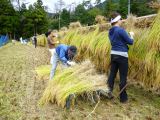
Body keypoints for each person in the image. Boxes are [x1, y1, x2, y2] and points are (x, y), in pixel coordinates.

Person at [107, 13, 134, 103]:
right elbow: (130, 42)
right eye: (121, 19)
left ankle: (109, 94)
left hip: (113, 54)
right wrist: (132, 35)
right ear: (118, 21)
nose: (121, 21)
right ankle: (123, 98)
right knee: (123, 77)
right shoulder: (121, 30)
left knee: (112, 75)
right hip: (122, 55)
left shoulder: (110, 32)